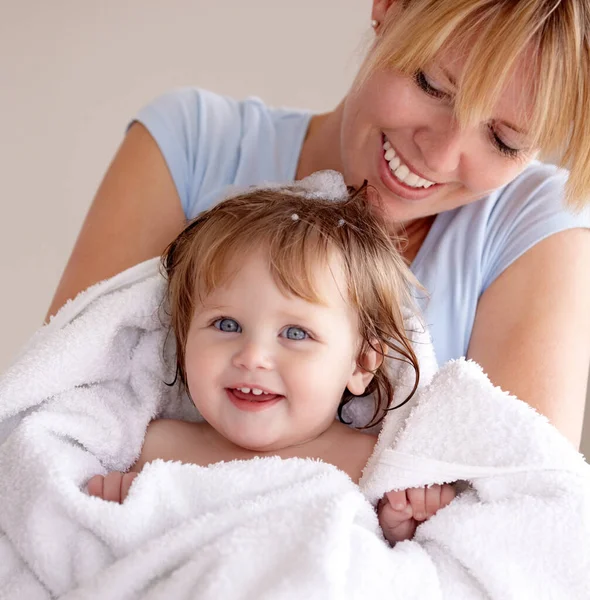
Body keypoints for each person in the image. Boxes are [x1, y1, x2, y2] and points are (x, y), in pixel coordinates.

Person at [48, 0, 590, 523]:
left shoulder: (535, 221)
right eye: (432, 86)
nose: (440, 155)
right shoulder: (191, 145)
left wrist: (172, 461)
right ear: (387, 7)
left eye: (503, 139)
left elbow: (516, 526)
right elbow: (65, 428)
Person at [87, 183, 455, 544]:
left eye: (295, 333)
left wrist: (400, 528)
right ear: (183, 339)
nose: (252, 356)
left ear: (360, 363)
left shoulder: (375, 467)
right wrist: (120, 510)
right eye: (226, 325)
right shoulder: (153, 449)